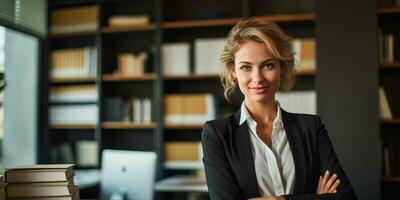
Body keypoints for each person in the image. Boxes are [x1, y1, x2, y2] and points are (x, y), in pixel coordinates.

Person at [201, 19, 357, 200]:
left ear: (282, 68)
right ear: (233, 70)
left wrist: (278, 199)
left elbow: (346, 197)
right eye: (246, 67)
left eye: (268, 65)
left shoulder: (311, 128)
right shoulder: (217, 134)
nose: (257, 78)